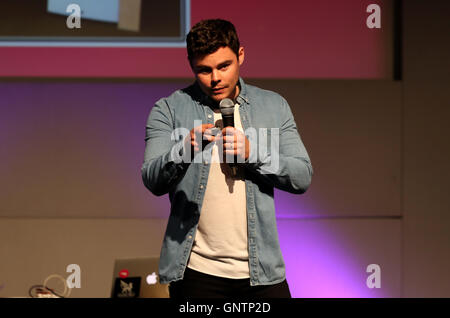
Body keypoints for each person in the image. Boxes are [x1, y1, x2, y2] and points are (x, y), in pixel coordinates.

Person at [141, 19, 313, 298]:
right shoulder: (169, 110)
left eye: (224, 66)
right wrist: (184, 150)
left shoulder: (273, 106)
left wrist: (252, 154)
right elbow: (152, 179)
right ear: (190, 65)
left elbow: (302, 176)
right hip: (196, 272)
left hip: (261, 271)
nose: (215, 78)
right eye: (204, 70)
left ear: (241, 56)